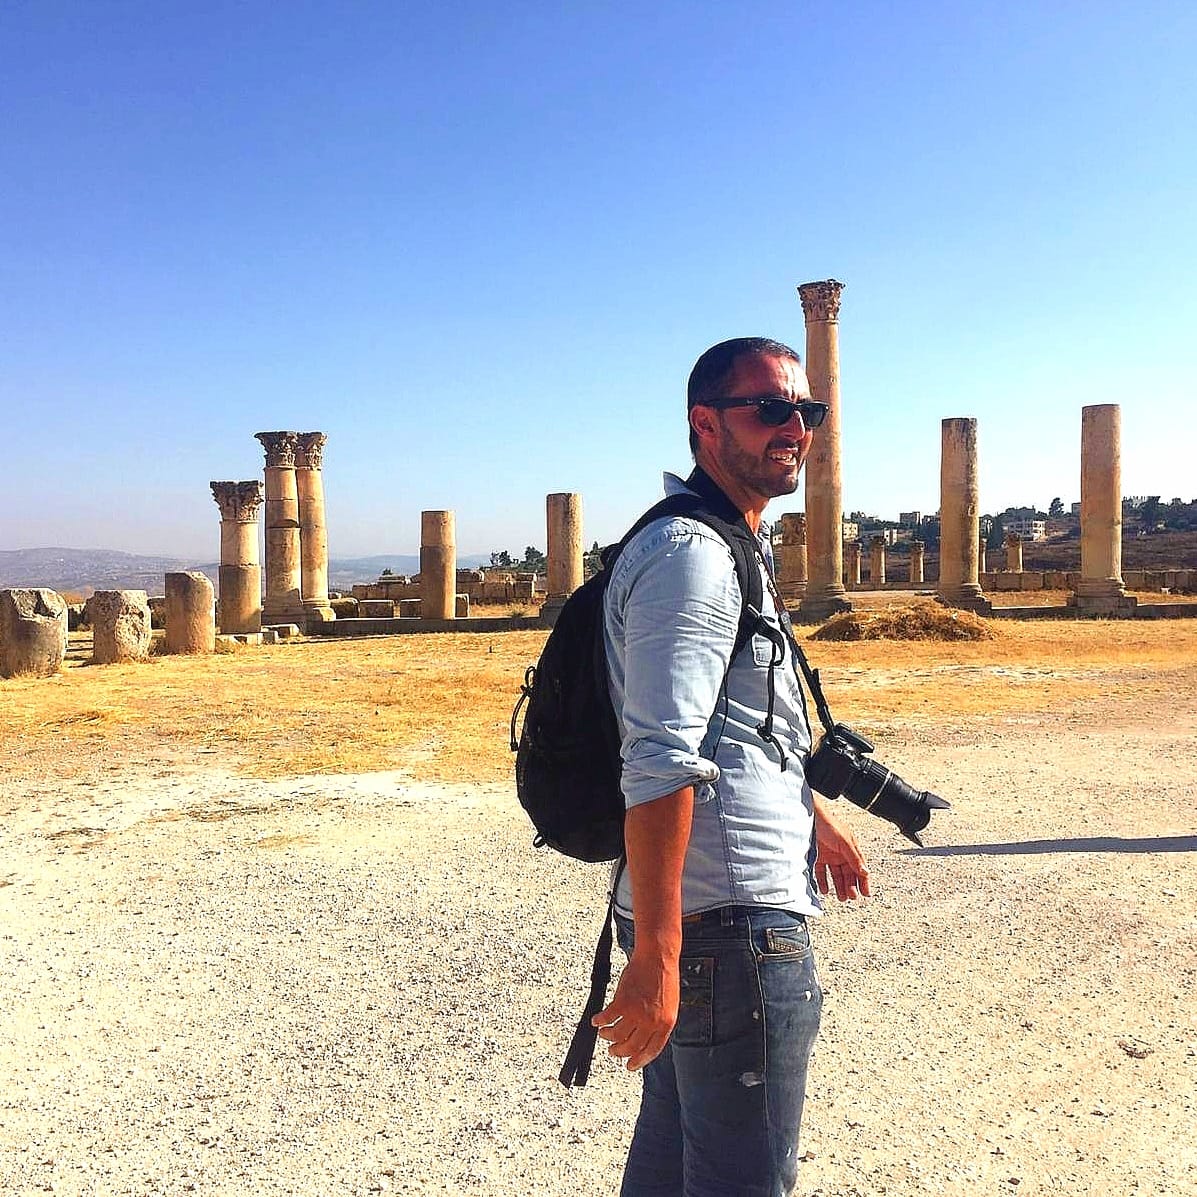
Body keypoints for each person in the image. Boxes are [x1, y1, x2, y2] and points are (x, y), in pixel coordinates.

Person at [592, 337, 871, 1197]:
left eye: (806, 410)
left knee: (674, 1161)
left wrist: (814, 818)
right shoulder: (693, 556)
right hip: (725, 931)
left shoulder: (727, 540)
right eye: (769, 408)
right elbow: (661, 758)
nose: (794, 428)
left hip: (709, 921)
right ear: (704, 424)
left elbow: (740, 728)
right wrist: (659, 953)